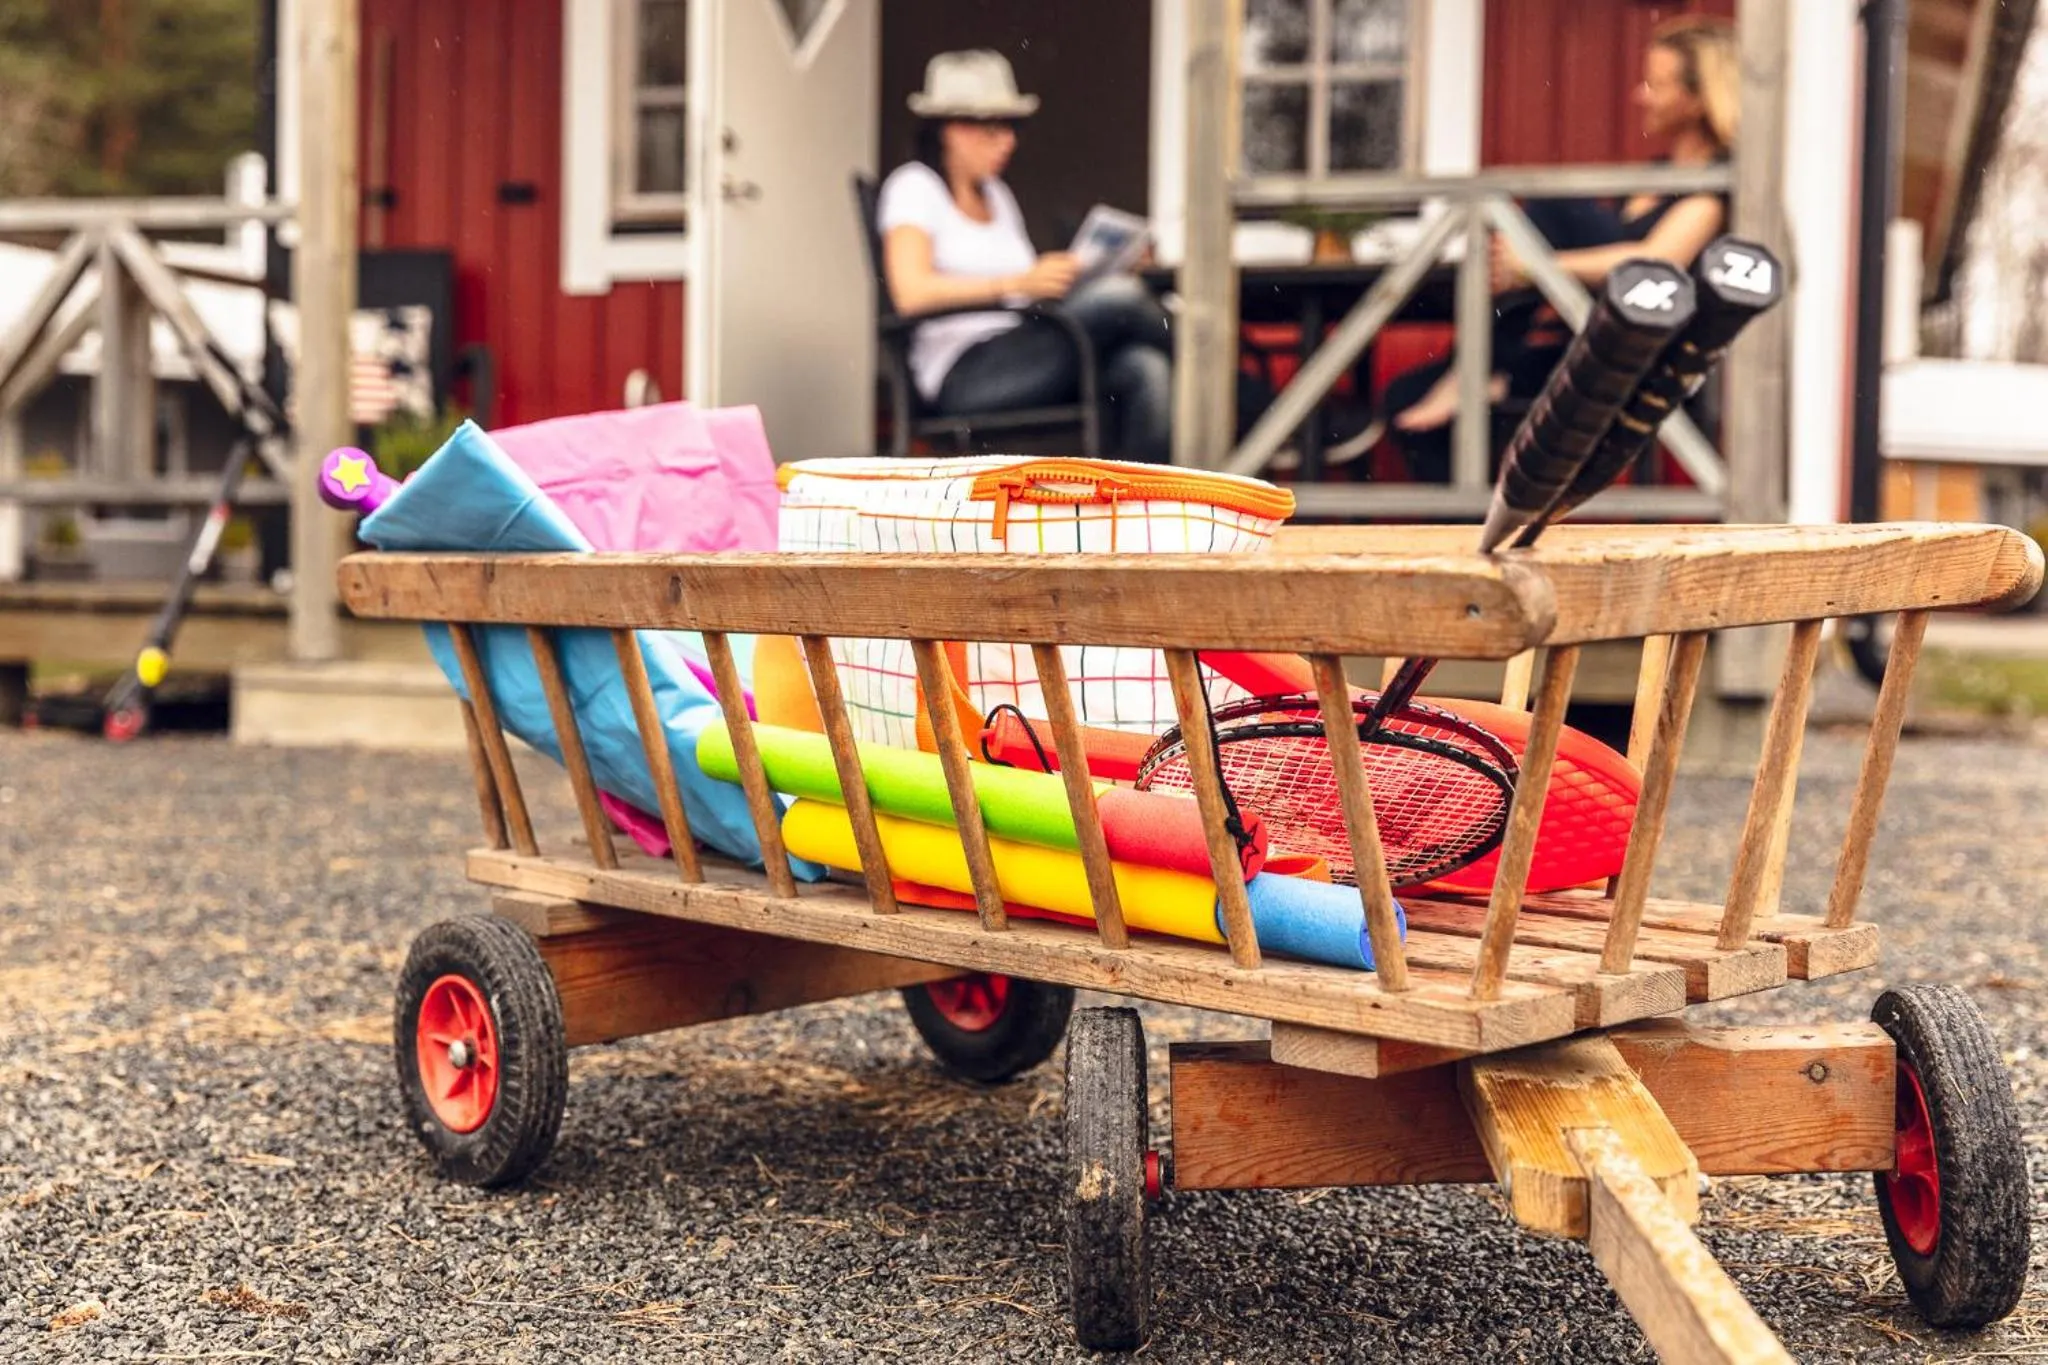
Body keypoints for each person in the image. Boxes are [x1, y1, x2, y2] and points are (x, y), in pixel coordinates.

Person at [1383, 15, 1740, 478]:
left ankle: (1479, 370)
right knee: (1405, 400)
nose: (1640, 95)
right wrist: (1536, 269)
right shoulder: (1654, 175)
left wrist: (1534, 267)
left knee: (1556, 208)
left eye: (1656, 84)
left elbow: (1656, 262)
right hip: (1583, 343)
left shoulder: (1715, 184)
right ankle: (1472, 528)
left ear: (1696, 99)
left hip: (1646, 356)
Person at [877, 49, 1178, 464]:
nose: (1010, 142)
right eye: (996, 128)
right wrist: (1016, 283)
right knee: (1120, 297)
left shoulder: (998, 195)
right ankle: (1230, 382)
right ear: (953, 128)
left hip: (1027, 347)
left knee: (1146, 369)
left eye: (1012, 127)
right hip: (966, 375)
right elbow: (910, 292)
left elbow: (1027, 290)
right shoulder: (914, 187)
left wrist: (1073, 274)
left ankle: (1143, 507)